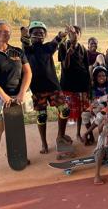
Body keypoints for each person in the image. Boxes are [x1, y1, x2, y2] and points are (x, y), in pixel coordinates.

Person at [21, 21, 71, 153]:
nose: (39, 35)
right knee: (42, 116)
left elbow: (58, 39)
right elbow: (25, 42)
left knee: (65, 110)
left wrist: (64, 33)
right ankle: (44, 144)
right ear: (30, 35)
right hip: (38, 88)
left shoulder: (49, 47)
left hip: (53, 86)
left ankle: (60, 135)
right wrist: (25, 35)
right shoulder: (28, 49)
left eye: (42, 33)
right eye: (35, 33)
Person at [0, 20, 32, 173]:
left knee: (15, 128)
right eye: (0, 31)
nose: (3, 34)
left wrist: (22, 92)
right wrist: (3, 96)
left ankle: (16, 155)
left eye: (7, 31)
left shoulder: (17, 51)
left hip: (17, 96)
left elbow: (28, 72)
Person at [58, 25, 90, 142]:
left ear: (79, 35)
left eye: (77, 32)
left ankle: (77, 134)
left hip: (81, 85)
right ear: (68, 34)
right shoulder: (63, 46)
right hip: (68, 85)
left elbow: (86, 68)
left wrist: (88, 86)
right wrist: (68, 54)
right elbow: (65, 66)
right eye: (72, 32)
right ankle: (61, 135)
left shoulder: (82, 48)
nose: (75, 34)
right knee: (66, 111)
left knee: (81, 111)